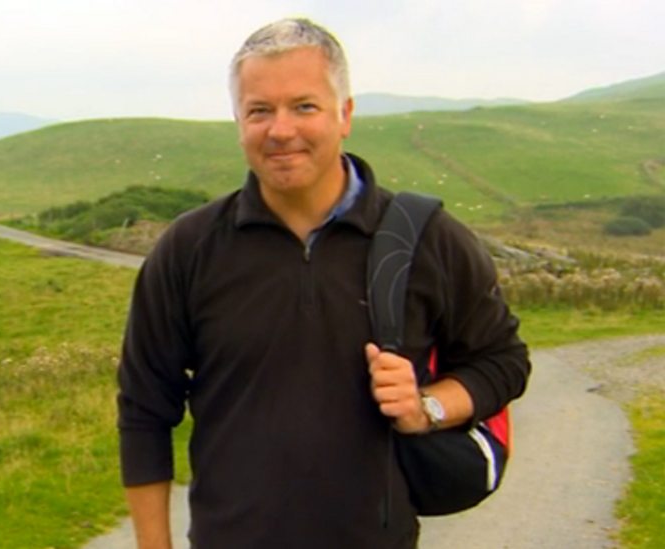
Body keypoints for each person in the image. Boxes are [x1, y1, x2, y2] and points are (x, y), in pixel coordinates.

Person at [116, 17, 530, 549]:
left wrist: (425, 407)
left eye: (304, 106)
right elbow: (144, 410)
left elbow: (504, 362)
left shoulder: (426, 239)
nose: (280, 130)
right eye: (259, 110)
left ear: (345, 115)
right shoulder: (189, 249)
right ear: (239, 120)